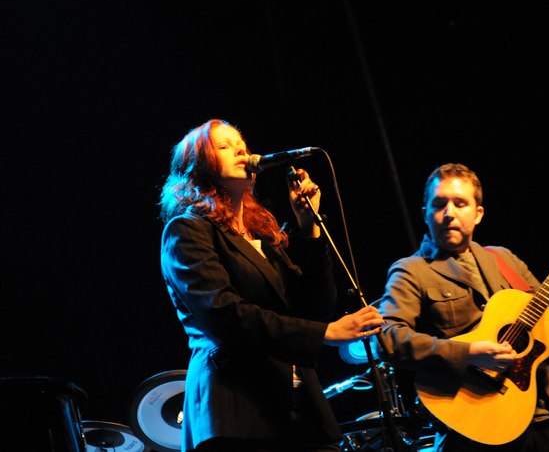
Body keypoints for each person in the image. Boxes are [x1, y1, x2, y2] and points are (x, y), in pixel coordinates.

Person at [158, 119, 384, 452]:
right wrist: (326, 333)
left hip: (302, 411)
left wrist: (308, 229)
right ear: (200, 167)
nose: (240, 150)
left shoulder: (264, 235)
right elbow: (226, 315)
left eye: (242, 145)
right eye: (223, 146)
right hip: (237, 412)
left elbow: (314, 309)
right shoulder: (188, 231)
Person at [377, 163, 549, 452]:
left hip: (546, 417)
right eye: (439, 204)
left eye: (460, 203)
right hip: (477, 429)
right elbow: (388, 339)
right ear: (425, 212)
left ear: (478, 214)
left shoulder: (503, 259)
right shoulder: (411, 271)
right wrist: (469, 353)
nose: (449, 213)